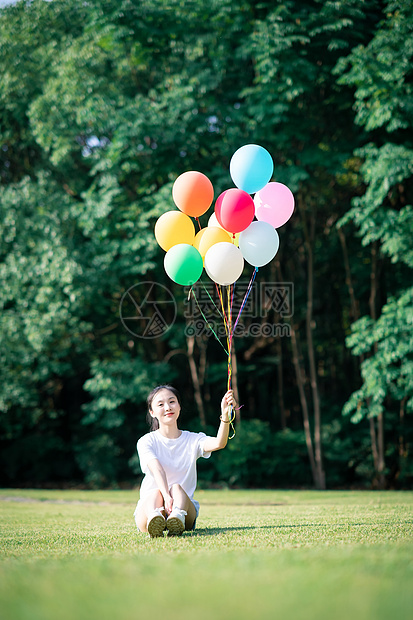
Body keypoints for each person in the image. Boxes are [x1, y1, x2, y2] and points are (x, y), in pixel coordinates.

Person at [134, 384, 237, 537]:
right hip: (150, 508)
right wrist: (166, 497)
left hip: (184, 508)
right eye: (160, 404)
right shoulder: (146, 441)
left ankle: (177, 517)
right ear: (152, 412)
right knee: (155, 493)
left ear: (179, 406)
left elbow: (219, 443)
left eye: (172, 401)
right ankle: (155, 519)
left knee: (176, 487)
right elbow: (157, 469)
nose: (168, 407)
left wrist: (225, 415)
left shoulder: (193, 439)